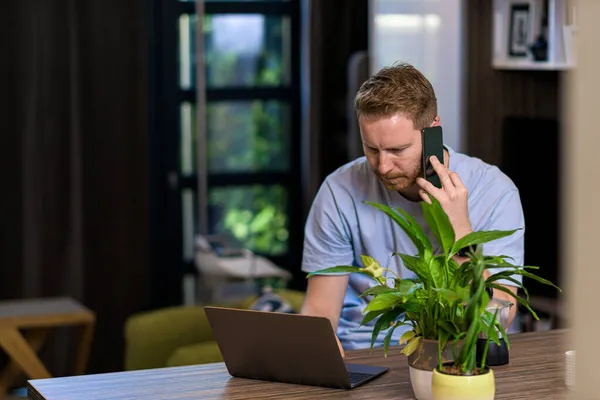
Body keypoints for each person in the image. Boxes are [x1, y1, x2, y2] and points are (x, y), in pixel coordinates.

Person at [300, 63, 524, 355]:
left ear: (433, 131)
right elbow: (319, 310)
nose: (382, 166)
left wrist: (459, 230)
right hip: (365, 353)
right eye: (371, 149)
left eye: (397, 150)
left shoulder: (495, 191)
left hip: (458, 355)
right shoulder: (339, 189)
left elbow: (497, 320)